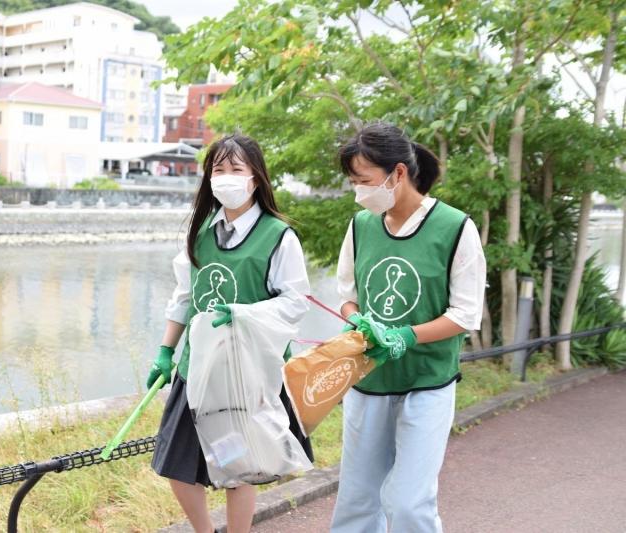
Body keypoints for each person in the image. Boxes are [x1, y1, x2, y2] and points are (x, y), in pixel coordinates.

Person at [148, 134, 313, 533]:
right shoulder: (201, 232)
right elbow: (184, 296)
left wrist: (242, 313)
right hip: (198, 368)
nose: (225, 178)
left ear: (255, 178)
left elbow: (296, 302)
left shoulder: (278, 236)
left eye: (235, 169)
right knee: (175, 464)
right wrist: (165, 352)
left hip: (247, 373)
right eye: (217, 170)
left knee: (240, 465)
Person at [330, 122, 486, 533]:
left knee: (408, 503)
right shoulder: (360, 227)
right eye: (353, 182)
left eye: (364, 181)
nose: (358, 191)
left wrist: (405, 336)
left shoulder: (454, 228)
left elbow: (465, 314)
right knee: (357, 501)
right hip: (369, 382)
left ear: (398, 174)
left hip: (427, 382)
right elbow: (347, 295)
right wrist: (357, 320)